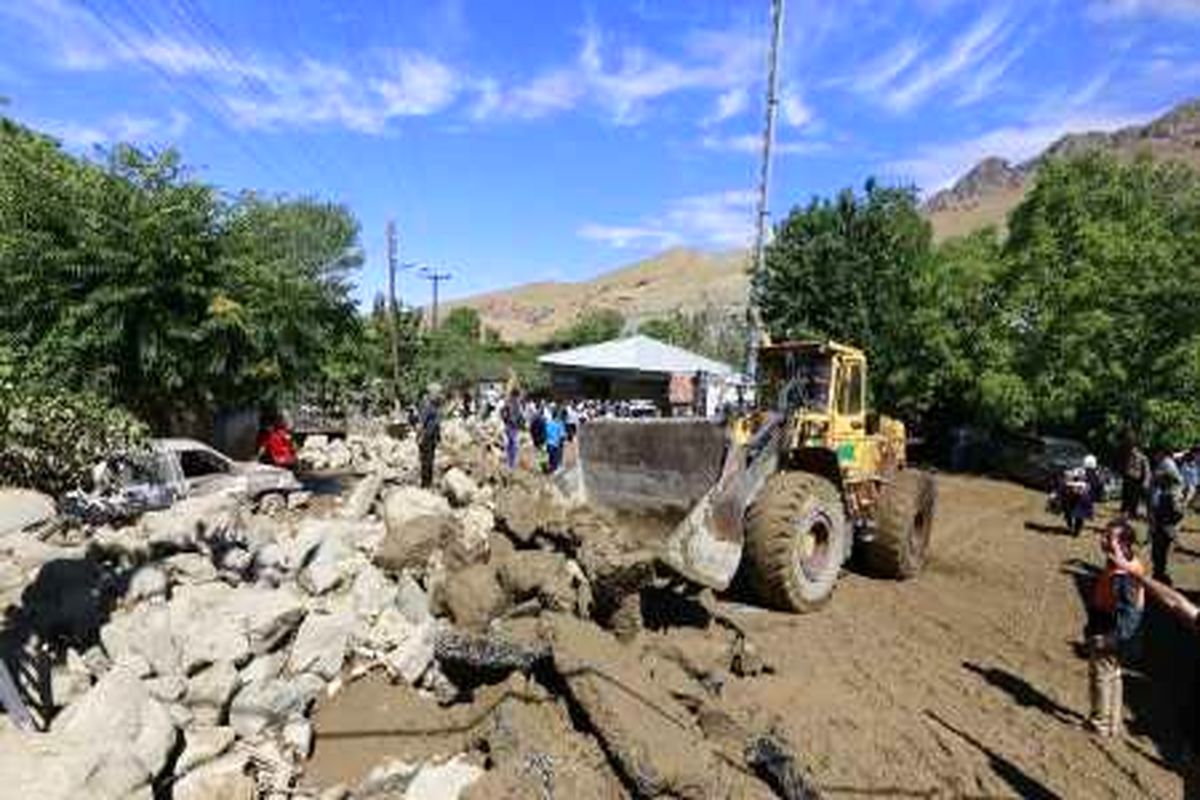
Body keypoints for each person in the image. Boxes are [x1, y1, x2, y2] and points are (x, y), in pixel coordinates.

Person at [1084, 519, 1145, 737]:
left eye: (1109, 537)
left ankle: (1100, 722)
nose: (1102, 540)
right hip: (1109, 627)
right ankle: (1112, 723)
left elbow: (1131, 613)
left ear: (1125, 544)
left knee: (1101, 675)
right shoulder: (1120, 564)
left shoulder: (1124, 574)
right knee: (1113, 675)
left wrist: (1111, 639)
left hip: (1111, 631)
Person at [1150, 448, 1185, 583]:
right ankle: (1160, 572)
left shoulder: (1166, 464)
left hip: (1165, 511)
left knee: (1160, 545)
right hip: (1166, 511)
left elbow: (1155, 484)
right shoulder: (1169, 464)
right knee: (1161, 545)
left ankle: (1160, 574)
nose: (1154, 456)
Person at [1061, 455, 1106, 536]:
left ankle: (1072, 528)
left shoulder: (1079, 470)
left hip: (1076, 496)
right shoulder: (1093, 474)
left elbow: (1067, 480)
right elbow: (1098, 487)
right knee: (1078, 515)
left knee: (1073, 512)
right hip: (1082, 498)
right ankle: (1075, 529)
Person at [417, 383, 442, 489]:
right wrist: (419, 437)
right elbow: (421, 423)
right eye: (438, 393)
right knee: (426, 461)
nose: (439, 396)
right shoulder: (427, 406)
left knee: (431, 460)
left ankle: (429, 482)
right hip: (426, 437)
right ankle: (425, 484)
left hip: (432, 437)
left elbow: (436, 423)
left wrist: (438, 436)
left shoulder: (435, 406)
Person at [1120, 436, 1151, 518]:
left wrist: (1145, 481)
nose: (1133, 450)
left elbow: (1146, 470)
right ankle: (1126, 511)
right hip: (1128, 478)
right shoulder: (1129, 456)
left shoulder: (1143, 458)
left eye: (1135, 449)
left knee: (1134, 498)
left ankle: (1132, 512)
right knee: (1126, 496)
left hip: (1136, 480)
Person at [501, 388, 522, 470]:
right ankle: (511, 464)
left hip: (510, 426)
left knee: (510, 445)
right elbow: (518, 416)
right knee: (513, 445)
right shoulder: (514, 403)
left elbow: (502, 412)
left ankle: (509, 463)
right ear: (516, 395)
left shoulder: (509, 402)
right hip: (513, 426)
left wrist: (505, 420)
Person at [544, 406, 567, 473]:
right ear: (557, 416)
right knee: (556, 458)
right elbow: (562, 435)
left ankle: (550, 468)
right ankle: (555, 469)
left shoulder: (548, 423)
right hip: (555, 444)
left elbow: (546, 433)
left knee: (551, 458)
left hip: (549, 443)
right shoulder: (559, 424)